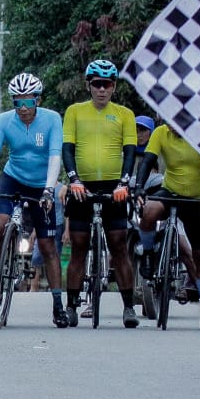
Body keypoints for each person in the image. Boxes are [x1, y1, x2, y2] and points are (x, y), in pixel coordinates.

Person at [0, 73, 63, 327]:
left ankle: (58, 304)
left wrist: (49, 190)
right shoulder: (4, 120)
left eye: (28, 102)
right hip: (12, 177)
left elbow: (55, 156)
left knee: (48, 246)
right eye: (18, 103)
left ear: (38, 99)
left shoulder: (52, 119)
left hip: (40, 185)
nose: (23, 109)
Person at [61, 59, 139, 326]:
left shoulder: (124, 114)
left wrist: (124, 184)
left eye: (107, 85)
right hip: (81, 185)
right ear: (88, 85)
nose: (102, 90)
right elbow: (68, 148)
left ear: (114, 87)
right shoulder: (74, 111)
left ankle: (128, 307)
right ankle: (71, 305)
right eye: (97, 84)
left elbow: (130, 151)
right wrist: (73, 179)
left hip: (113, 186)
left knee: (119, 245)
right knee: (79, 247)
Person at [136, 121, 200, 330]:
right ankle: (148, 253)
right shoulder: (160, 133)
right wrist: (139, 186)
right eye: (169, 121)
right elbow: (148, 160)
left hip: (196, 197)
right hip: (170, 191)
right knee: (148, 210)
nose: (174, 126)